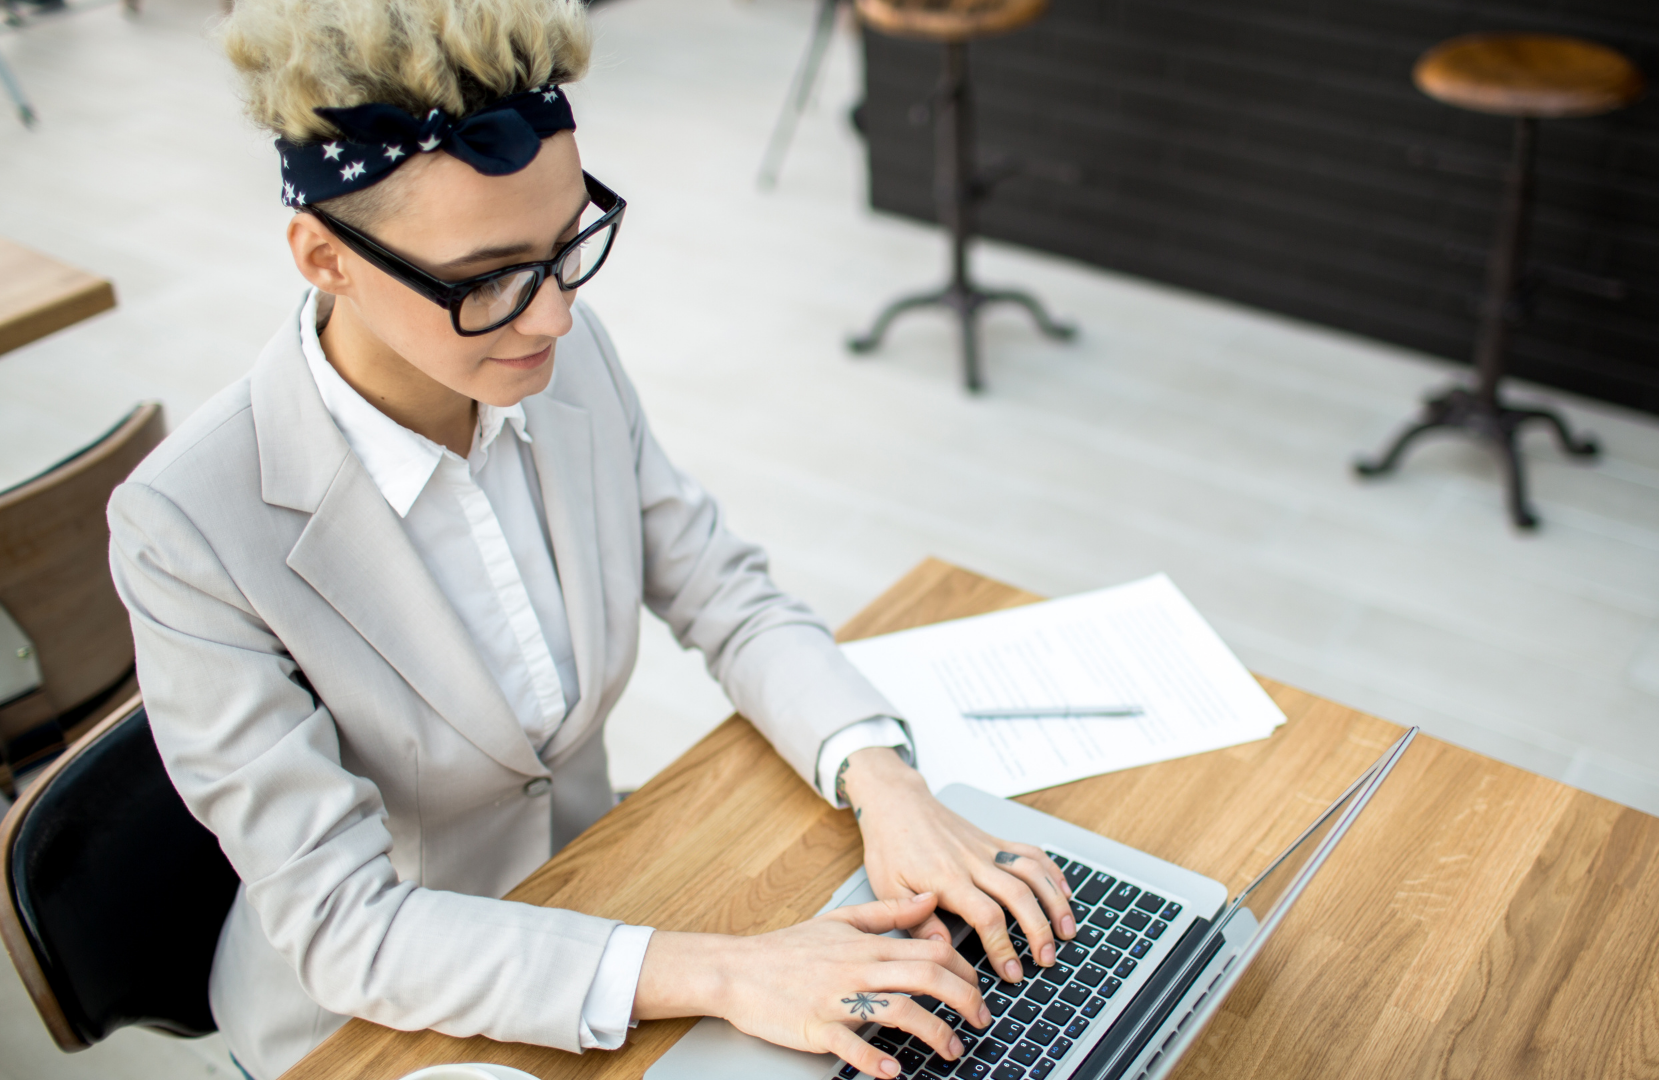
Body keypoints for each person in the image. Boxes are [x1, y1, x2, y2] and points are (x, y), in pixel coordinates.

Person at [105, 2, 1075, 1077]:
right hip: (375, 1035)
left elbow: (723, 592)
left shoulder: (553, 359)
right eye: (487, 279)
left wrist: (887, 785)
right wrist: (727, 971)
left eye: (569, 245)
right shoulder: (186, 528)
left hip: (608, 899)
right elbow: (349, 926)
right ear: (322, 258)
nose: (555, 317)